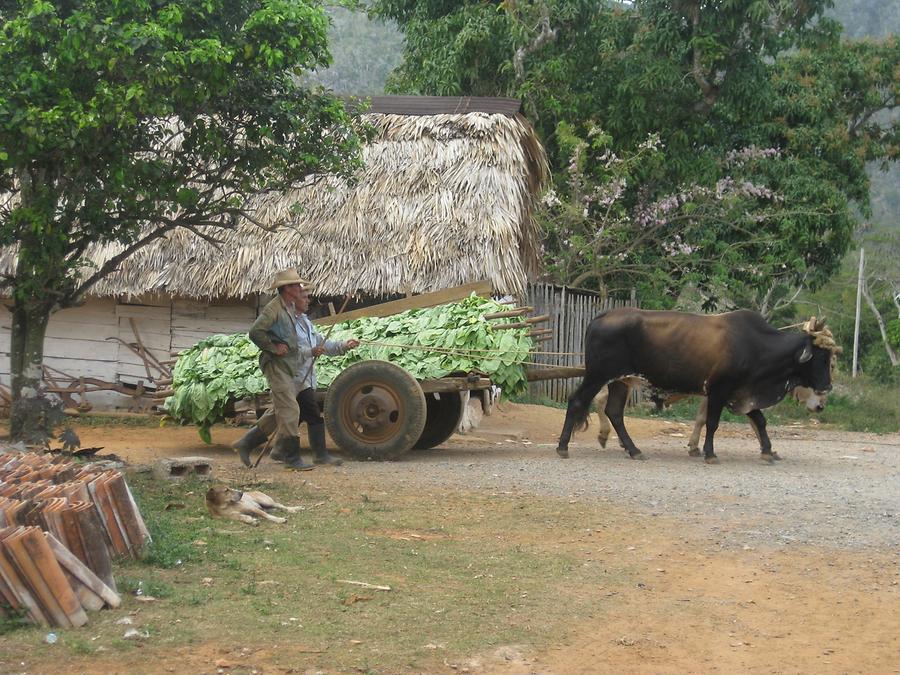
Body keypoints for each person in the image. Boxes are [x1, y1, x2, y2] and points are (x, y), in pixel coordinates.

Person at [232, 269, 359, 470]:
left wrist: (344, 346)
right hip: (283, 368)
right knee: (293, 410)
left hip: (296, 372)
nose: (305, 296)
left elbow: (318, 344)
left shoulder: (298, 317)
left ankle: (250, 443)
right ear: (288, 289)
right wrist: (275, 348)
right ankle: (293, 457)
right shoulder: (275, 309)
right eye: (300, 290)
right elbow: (259, 333)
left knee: (280, 414)